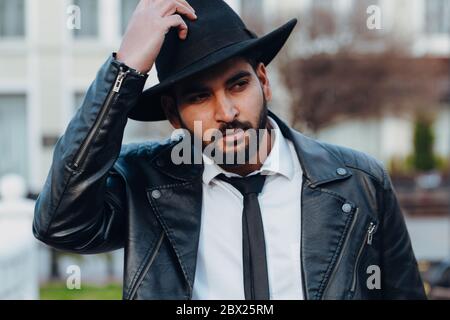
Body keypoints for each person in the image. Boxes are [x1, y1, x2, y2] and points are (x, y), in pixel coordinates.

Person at [33, 0, 426, 300]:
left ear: (264, 82)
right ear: (173, 114)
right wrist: (125, 71)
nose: (226, 112)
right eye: (201, 96)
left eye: (238, 85)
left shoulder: (360, 182)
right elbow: (59, 223)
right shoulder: (144, 185)